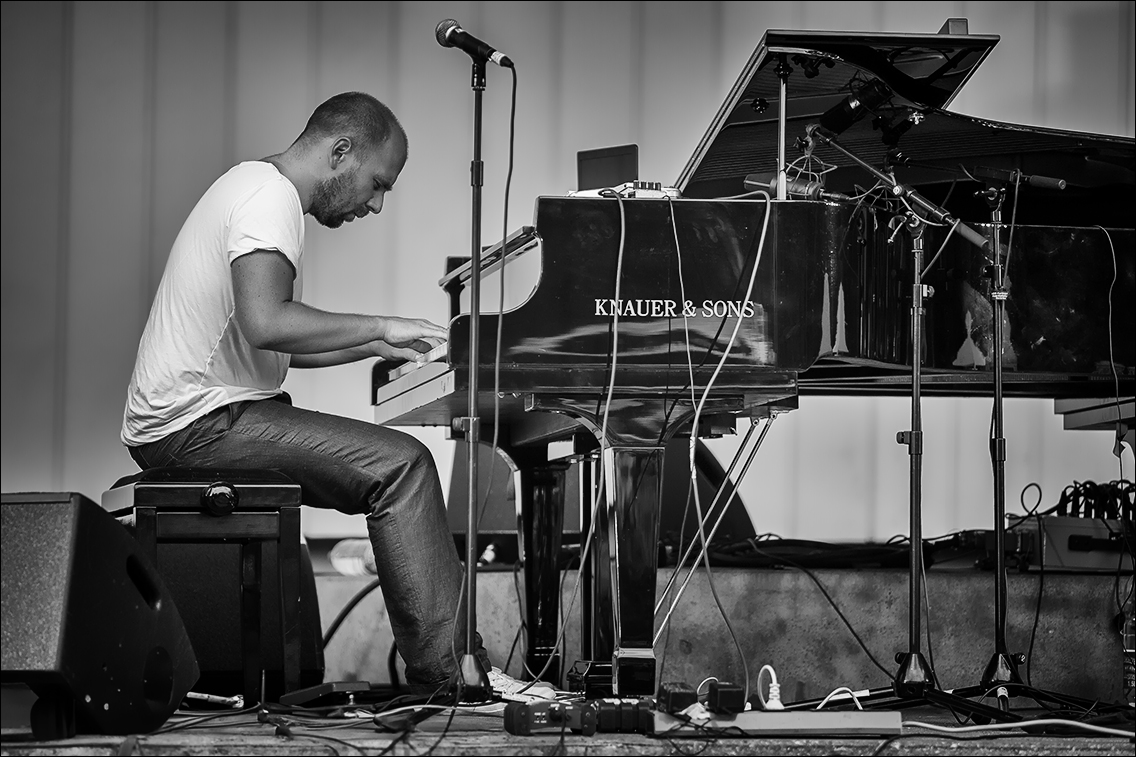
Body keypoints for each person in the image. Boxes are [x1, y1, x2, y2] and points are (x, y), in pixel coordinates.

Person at [120, 91, 551, 700]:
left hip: (197, 416)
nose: (375, 204)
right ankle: (456, 679)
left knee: (391, 462)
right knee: (401, 466)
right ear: (340, 150)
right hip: (196, 424)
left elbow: (278, 347)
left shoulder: (253, 188)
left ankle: (449, 669)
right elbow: (269, 322)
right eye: (377, 184)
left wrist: (379, 348)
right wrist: (379, 325)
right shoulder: (268, 198)